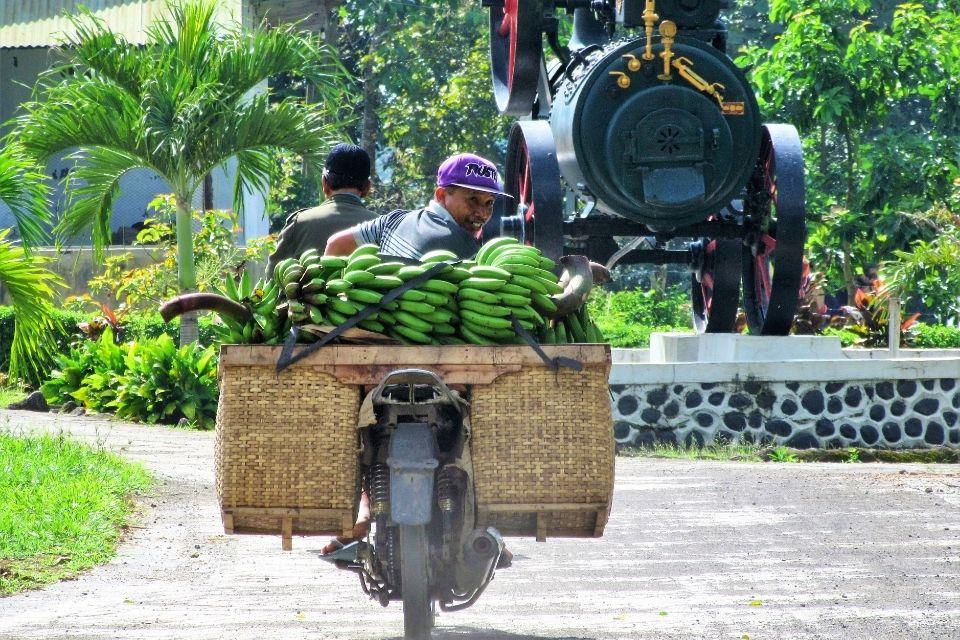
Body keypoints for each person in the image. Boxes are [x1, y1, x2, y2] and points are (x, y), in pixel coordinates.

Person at [324, 152, 511, 260]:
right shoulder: (465, 250)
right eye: (473, 199)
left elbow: (336, 244)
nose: (482, 213)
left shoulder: (394, 219)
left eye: (489, 203)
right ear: (441, 195)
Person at [266, 143, 375, 274]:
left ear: (324, 183)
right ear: (367, 187)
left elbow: (272, 279)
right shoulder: (384, 226)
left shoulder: (299, 223)